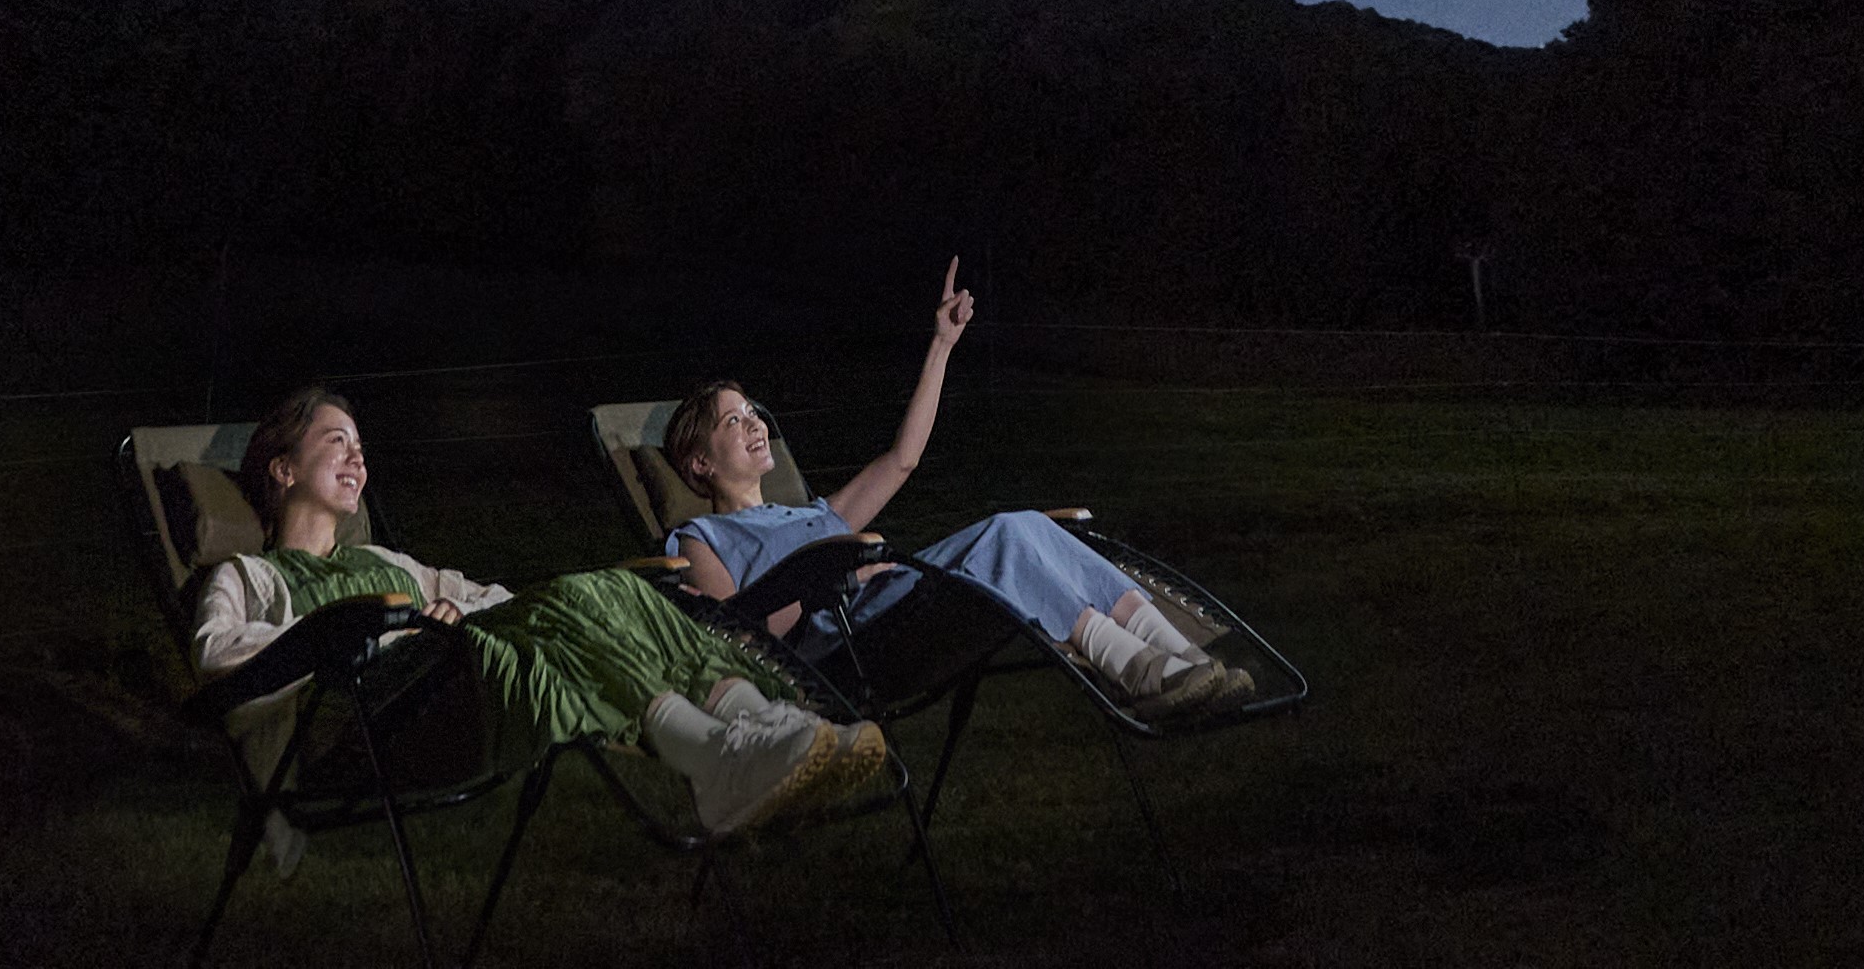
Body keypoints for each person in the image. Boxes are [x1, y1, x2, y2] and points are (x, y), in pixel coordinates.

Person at [187, 383, 887, 844]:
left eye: (362, 447)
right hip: (367, 728)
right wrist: (377, 629)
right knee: (571, 601)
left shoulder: (390, 563)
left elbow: (488, 597)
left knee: (604, 591)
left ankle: (755, 731)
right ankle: (724, 753)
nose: (357, 458)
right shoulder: (248, 575)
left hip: (452, 678)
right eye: (337, 441)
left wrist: (457, 609)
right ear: (281, 470)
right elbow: (220, 653)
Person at [653, 262, 1258, 718]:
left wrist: (941, 344)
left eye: (753, 411)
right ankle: (1140, 674)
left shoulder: (815, 513)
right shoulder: (700, 536)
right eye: (733, 421)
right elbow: (737, 637)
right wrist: (827, 576)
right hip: (853, 644)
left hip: (892, 600)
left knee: (1030, 525)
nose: (755, 422)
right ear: (699, 462)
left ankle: (1186, 661)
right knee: (1006, 531)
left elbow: (903, 460)